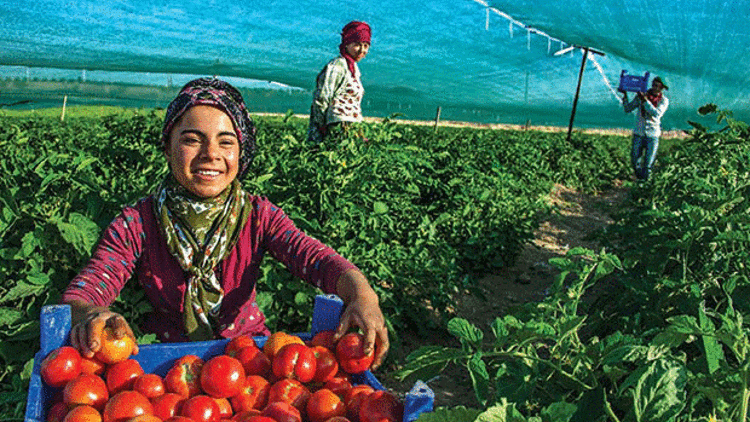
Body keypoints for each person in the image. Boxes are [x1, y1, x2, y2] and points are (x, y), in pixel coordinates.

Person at [61, 77, 389, 368]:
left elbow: (312, 257)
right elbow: (92, 284)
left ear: (241, 152)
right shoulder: (138, 223)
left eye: (226, 141)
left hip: (251, 359)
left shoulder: (257, 216)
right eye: (192, 139)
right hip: (168, 367)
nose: (211, 154)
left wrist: (362, 295)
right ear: (167, 146)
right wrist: (91, 314)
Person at [307, 21, 371, 143]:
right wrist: (321, 126)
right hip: (337, 125)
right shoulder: (337, 66)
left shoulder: (354, 68)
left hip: (351, 125)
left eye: (366, 46)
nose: (362, 50)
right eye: (357, 45)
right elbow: (322, 97)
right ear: (346, 44)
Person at [621, 76, 670, 181]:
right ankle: (640, 180)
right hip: (639, 133)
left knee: (648, 165)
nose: (654, 87)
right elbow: (628, 108)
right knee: (635, 161)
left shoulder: (664, 101)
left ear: (662, 88)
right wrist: (625, 96)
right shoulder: (641, 96)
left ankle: (644, 185)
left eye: (657, 86)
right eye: (653, 85)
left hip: (652, 135)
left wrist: (645, 100)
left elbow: (656, 114)